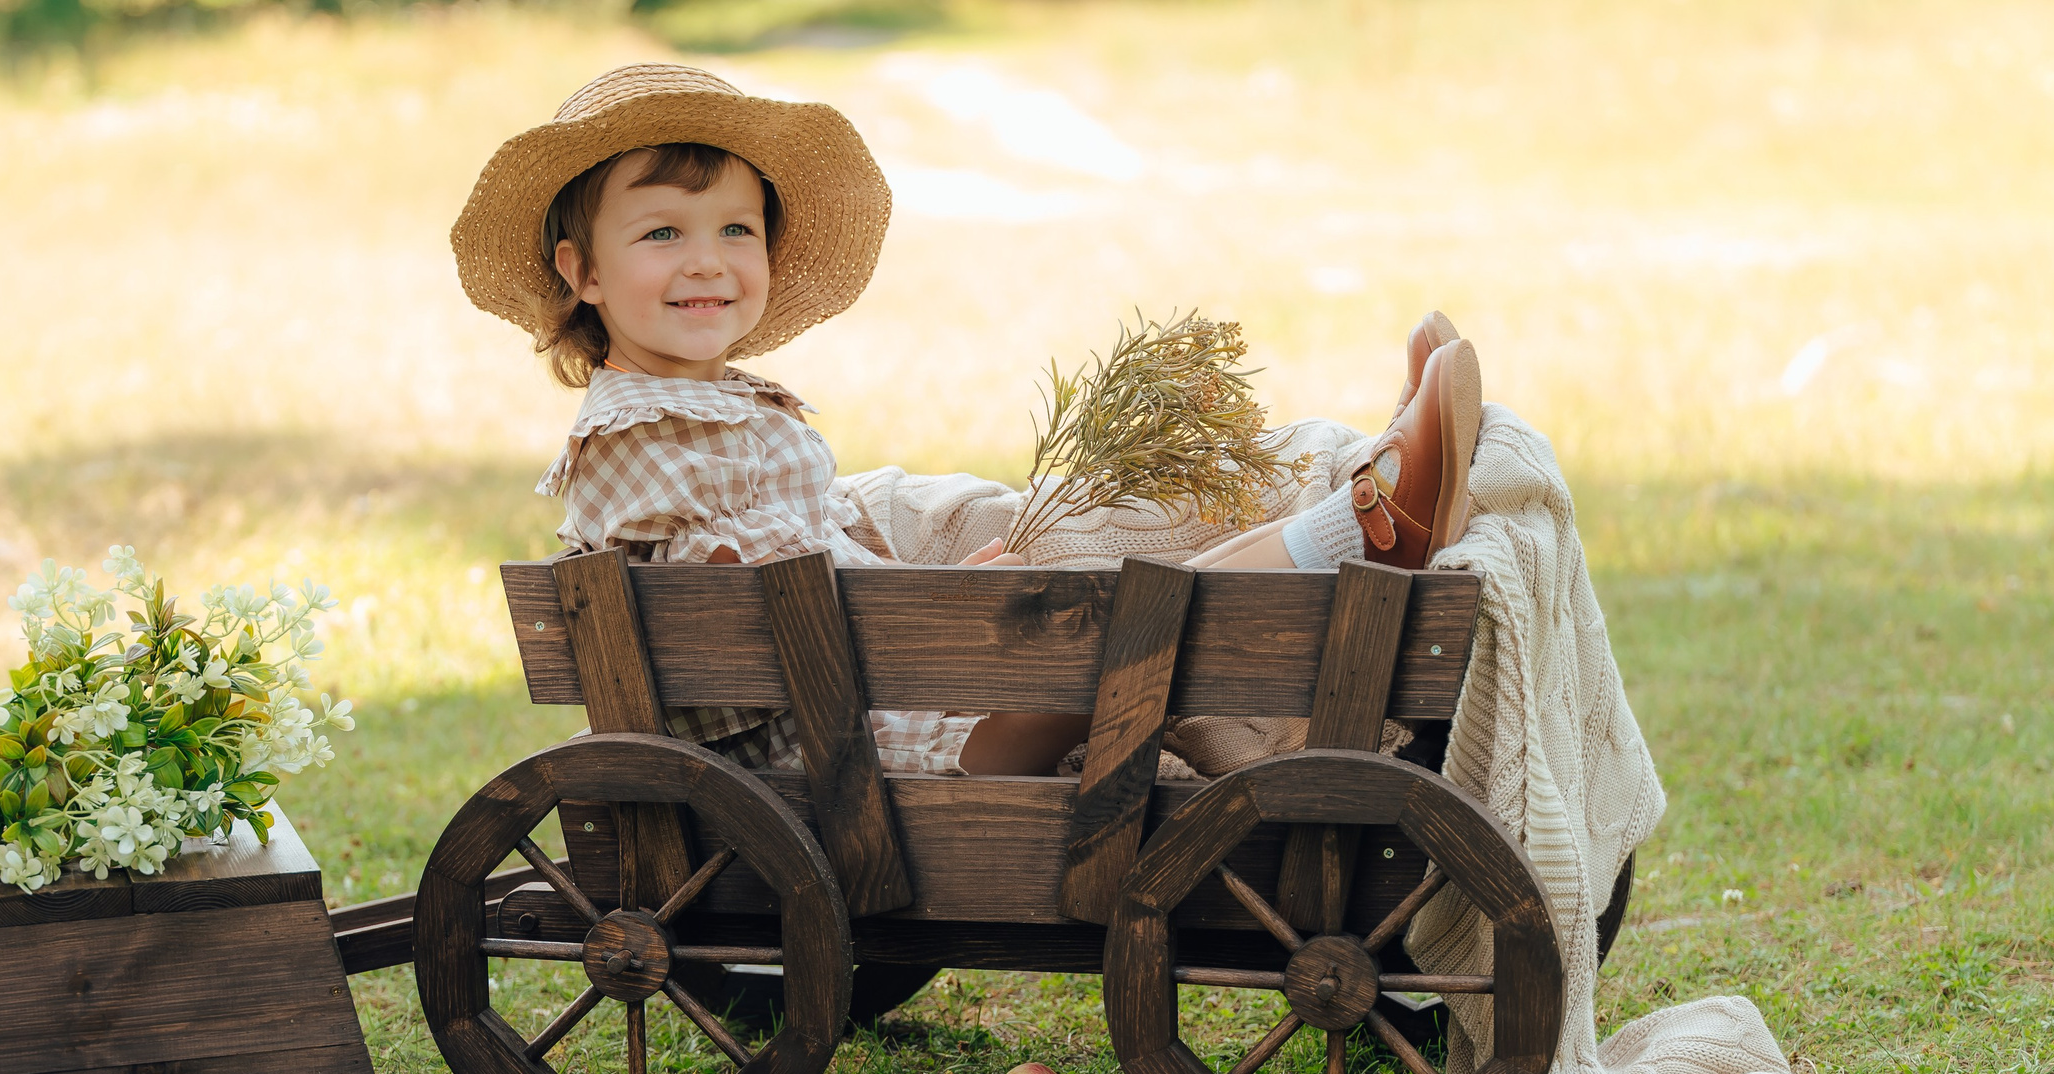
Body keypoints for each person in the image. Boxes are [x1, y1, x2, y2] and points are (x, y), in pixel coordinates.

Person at [452, 64, 1483, 778]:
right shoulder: (636, 437)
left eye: (735, 226)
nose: (708, 258)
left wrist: (939, 596)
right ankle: (1367, 525)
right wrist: (938, 619)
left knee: (1129, 588)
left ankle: (1362, 498)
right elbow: (757, 627)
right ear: (579, 271)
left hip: (899, 712)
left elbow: (809, 571)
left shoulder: (705, 410)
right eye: (660, 232)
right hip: (878, 761)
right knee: (1138, 621)